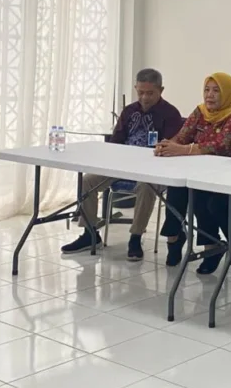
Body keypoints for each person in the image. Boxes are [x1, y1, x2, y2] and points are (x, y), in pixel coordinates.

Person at [60, 68, 184, 261]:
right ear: (135, 88)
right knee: (87, 181)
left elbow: (171, 148)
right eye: (140, 92)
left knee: (146, 186)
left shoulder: (170, 114)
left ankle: (135, 237)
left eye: (150, 93)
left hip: (154, 171)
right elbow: (115, 142)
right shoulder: (129, 111)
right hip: (122, 166)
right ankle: (90, 233)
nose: (144, 97)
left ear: (161, 90)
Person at [155, 73, 231, 275]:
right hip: (199, 172)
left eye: (216, 90)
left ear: (227, 93)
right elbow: (182, 137)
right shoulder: (200, 111)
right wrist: (167, 145)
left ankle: (211, 246)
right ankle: (174, 237)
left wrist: (185, 150)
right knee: (177, 187)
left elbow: (221, 145)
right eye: (206, 89)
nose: (209, 95)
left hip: (227, 177)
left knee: (201, 194)